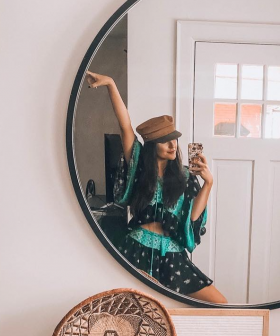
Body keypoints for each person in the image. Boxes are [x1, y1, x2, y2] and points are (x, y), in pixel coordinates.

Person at [86, 70, 227, 304]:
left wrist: (208, 183)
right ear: (152, 145)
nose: (173, 145)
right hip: (136, 248)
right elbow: (125, 127)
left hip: (172, 256)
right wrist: (111, 83)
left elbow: (192, 216)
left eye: (175, 140)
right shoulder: (140, 166)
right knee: (133, 312)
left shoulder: (184, 176)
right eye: (166, 141)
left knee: (220, 304)